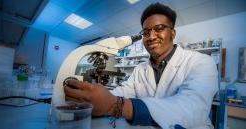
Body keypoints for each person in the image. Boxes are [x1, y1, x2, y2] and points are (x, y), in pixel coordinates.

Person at [64, 2, 218, 129]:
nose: (151, 36)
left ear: (173, 33)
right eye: (146, 32)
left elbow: (192, 108)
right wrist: (93, 97)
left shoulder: (202, 62)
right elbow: (123, 91)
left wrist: (114, 105)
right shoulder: (141, 69)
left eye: (159, 28)